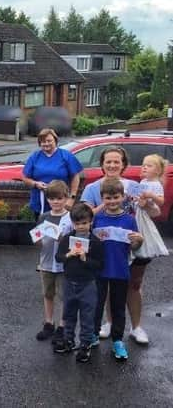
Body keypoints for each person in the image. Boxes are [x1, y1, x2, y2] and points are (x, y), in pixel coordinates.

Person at [80, 146, 140, 341]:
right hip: (102, 248)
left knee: (132, 287)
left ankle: (136, 328)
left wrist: (148, 203)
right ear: (102, 164)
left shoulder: (133, 186)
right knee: (100, 292)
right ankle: (106, 325)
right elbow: (84, 218)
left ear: (123, 164)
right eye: (108, 161)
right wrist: (105, 205)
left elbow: (149, 213)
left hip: (126, 243)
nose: (112, 165)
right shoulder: (91, 188)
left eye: (117, 161)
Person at [92, 179, 143, 361]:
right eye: (108, 198)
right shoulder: (96, 218)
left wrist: (139, 240)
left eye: (116, 197)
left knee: (118, 307)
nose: (112, 201)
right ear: (102, 198)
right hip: (99, 270)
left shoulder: (129, 220)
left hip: (120, 270)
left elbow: (134, 247)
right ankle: (93, 335)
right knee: (96, 305)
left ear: (122, 197)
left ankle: (117, 341)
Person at [54, 203, 103, 363]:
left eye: (84, 223)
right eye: (77, 223)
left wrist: (85, 259)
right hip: (69, 282)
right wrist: (68, 255)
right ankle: (69, 340)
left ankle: (85, 345)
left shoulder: (95, 242)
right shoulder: (67, 238)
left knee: (87, 315)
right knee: (68, 313)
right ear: (72, 223)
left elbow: (99, 264)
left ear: (91, 222)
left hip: (87, 283)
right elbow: (58, 257)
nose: (81, 227)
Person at [127, 154, 168, 344]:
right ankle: (110, 323)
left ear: (158, 170)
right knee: (113, 282)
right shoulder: (141, 181)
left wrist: (147, 202)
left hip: (141, 224)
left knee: (135, 281)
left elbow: (157, 207)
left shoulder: (155, 185)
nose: (144, 168)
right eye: (143, 165)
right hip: (126, 227)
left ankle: (136, 326)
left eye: (148, 165)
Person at [34, 180, 73, 344]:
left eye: (59, 198)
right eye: (52, 199)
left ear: (66, 198)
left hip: (64, 263)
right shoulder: (43, 217)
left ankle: (63, 326)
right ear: (48, 199)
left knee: (64, 295)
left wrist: (62, 239)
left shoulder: (70, 218)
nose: (56, 202)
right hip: (46, 262)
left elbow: (73, 239)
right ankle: (49, 322)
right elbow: (37, 239)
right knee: (48, 293)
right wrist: (36, 240)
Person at [22, 128, 83, 219]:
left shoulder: (66, 155)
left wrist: (71, 198)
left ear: (55, 141)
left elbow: (75, 176)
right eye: (43, 141)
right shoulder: (35, 157)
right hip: (40, 202)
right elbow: (25, 178)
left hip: (61, 202)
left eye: (49, 141)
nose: (46, 143)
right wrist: (35, 183)